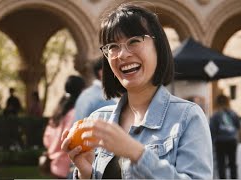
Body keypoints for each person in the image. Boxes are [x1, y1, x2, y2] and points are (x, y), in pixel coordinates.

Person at [61, 3, 213, 179]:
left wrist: (136, 153)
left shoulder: (187, 117)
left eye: (134, 41)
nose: (122, 54)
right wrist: (86, 175)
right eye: (112, 46)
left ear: (158, 47)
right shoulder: (98, 120)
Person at [43, 75, 85, 178]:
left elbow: (47, 138)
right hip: (67, 166)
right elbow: (72, 139)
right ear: (81, 90)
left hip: (54, 164)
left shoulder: (58, 111)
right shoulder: (74, 113)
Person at [210, 94, 241, 179]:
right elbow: (238, 126)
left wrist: (212, 141)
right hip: (232, 140)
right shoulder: (233, 113)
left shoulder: (215, 115)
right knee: (233, 163)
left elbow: (212, 129)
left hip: (220, 141)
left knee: (221, 164)